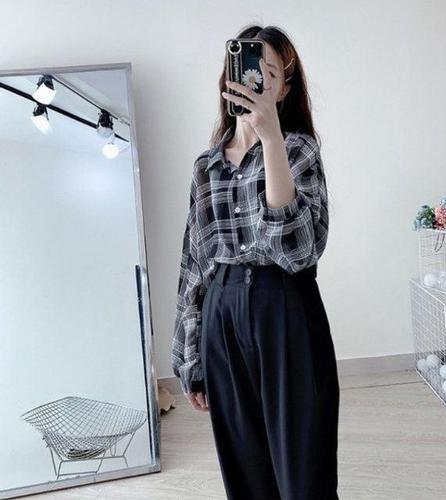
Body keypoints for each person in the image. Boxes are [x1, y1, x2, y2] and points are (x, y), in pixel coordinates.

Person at [172, 24, 339, 500]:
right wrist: (189, 358)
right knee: (245, 472)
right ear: (230, 78)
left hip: (285, 307)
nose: (259, 80)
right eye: (250, 69)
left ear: (284, 89)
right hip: (221, 313)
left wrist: (271, 141)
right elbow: (193, 266)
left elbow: (298, 250)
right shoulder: (206, 167)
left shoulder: (298, 150)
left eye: (271, 73)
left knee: (305, 474)